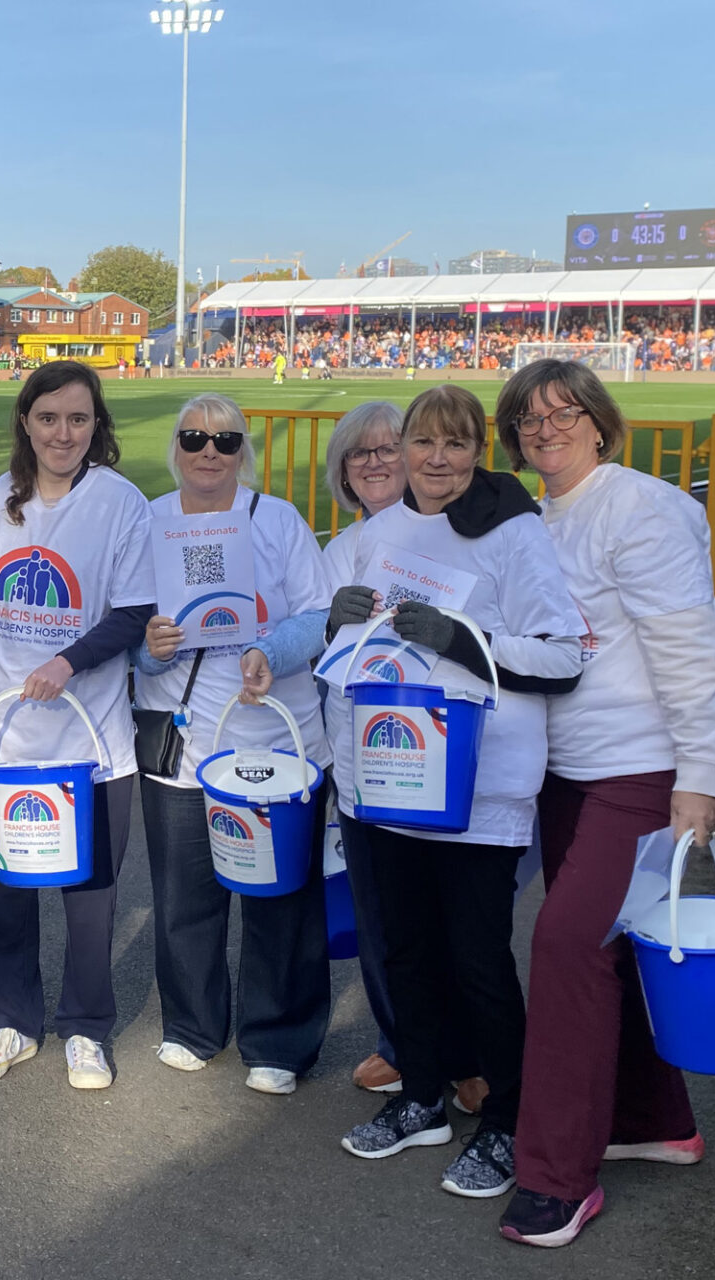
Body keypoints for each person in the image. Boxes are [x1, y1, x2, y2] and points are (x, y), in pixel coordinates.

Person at [325, 384, 582, 1199]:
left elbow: (564, 654)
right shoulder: (383, 529)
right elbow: (354, 641)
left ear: (479, 450)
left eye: (455, 444)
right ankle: (424, 1097)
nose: (436, 460)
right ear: (402, 447)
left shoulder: (515, 533)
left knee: (476, 960)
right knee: (405, 951)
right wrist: (339, 617)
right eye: (423, 443)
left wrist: (465, 641)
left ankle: (507, 1120)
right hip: (388, 776)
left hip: (475, 791)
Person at [493, 361, 715, 1247]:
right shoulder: (539, 516)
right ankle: (652, 1118)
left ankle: (556, 1177)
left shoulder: (641, 507)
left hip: (640, 769)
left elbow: (687, 645)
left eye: (565, 412)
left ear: (600, 421)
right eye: (528, 419)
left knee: (564, 943)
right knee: (612, 953)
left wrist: (698, 776)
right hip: (565, 767)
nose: (545, 428)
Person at [0, 361, 152, 1090]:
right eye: (47, 418)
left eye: (77, 419)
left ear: (96, 426)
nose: (62, 433)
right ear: (26, 424)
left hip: (90, 741)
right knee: (0, 893)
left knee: (91, 898)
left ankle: (86, 1029)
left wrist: (68, 662)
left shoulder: (121, 503)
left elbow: (132, 613)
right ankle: (13, 1021)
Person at [133, 395, 334, 1095]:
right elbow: (125, 632)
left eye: (225, 440)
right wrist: (152, 651)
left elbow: (319, 615)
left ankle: (279, 1039)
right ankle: (192, 1024)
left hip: (278, 735)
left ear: (242, 450)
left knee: (281, 898)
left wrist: (270, 651)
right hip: (184, 744)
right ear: (177, 447)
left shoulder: (275, 520)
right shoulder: (148, 521)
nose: (209, 451)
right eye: (194, 437)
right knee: (184, 895)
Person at [320, 402, 486, 1111]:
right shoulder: (336, 550)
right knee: (383, 920)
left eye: (391, 448)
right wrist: (329, 620)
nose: (378, 462)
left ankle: (470, 1056)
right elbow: (314, 639)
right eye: (361, 455)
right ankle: (403, 1048)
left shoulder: (462, 537)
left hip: (442, 753)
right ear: (344, 473)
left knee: (458, 921)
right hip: (364, 755)